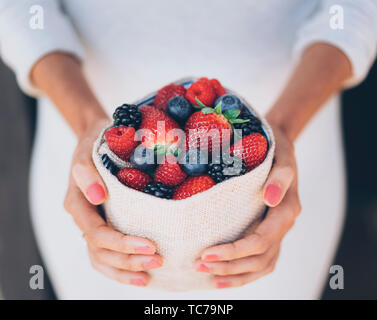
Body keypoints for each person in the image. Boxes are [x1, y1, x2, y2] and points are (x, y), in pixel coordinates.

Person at [0, 0, 376, 299]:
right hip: (90, 144)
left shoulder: (259, 144)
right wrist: (88, 127)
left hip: (283, 145)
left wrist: (283, 129)